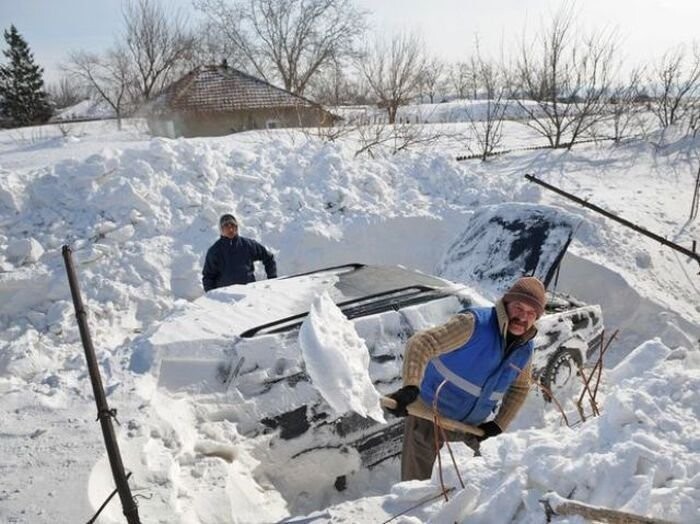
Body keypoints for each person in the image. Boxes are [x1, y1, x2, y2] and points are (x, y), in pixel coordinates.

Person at [385, 276, 546, 481]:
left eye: (531, 313)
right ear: (506, 304)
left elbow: (520, 388)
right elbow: (422, 343)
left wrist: (498, 424)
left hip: (471, 427)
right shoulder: (474, 325)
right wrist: (410, 387)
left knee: (482, 482)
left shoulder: (525, 348)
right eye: (518, 307)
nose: (523, 317)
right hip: (429, 412)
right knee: (414, 487)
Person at [202, 214, 277, 292]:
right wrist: (211, 296)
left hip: (249, 293)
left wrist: (272, 279)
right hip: (226, 296)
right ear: (221, 230)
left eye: (233, 225)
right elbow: (208, 277)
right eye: (226, 226)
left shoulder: (248, 245)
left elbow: (268, 257)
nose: (230, 229)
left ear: (237, 228)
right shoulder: (214, 251)